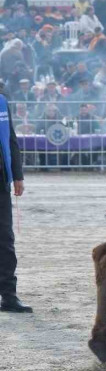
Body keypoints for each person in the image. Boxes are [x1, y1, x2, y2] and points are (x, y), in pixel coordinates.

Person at [0, 89, 30, 313]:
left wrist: (17, 174)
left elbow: (10, 139)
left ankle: (9, 296)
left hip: (1, 181)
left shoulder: (2, 102)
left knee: (5, 240)